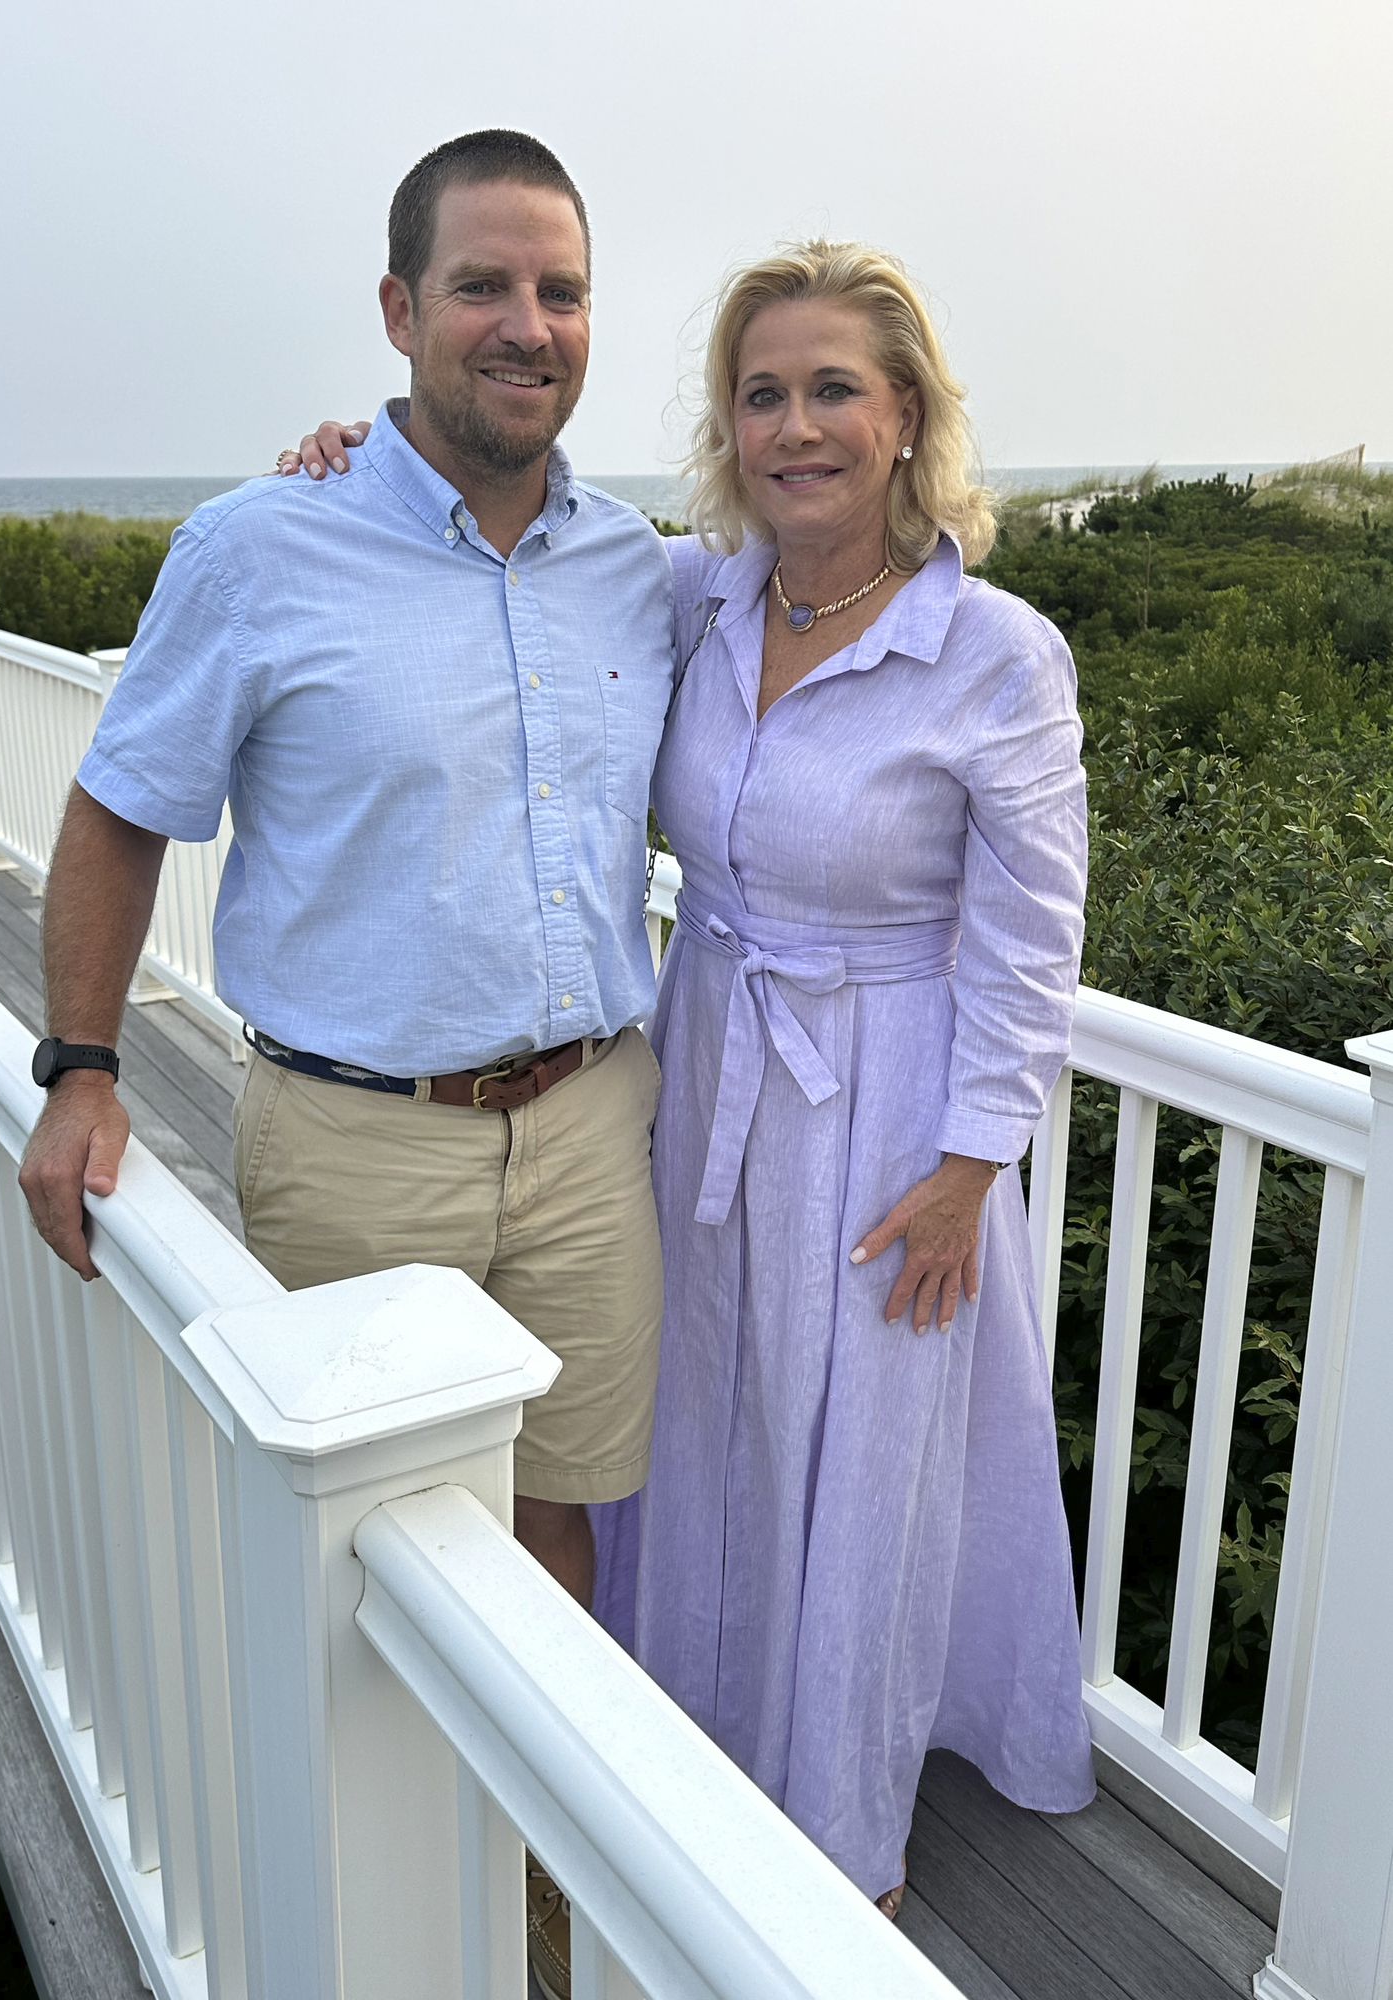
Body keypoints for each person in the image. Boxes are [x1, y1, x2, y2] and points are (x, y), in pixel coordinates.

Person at [290, 236, 1096, 1925]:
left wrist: (974, 1162)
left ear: (905, 418)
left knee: (864, 1443)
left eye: (832, 392)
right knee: (706, 1414)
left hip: (889, 1107)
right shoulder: (696, 594)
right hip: (707, 1060)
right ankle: (699, 1737)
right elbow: (496, 561)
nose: (794, 427)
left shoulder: (995, 651)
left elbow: (1032, 937)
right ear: (725, 428)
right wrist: (349, 462)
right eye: (760, 395)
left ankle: (840, 1825)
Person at [17, 129, 676, 1622]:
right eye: (482, 286)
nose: (528, 325)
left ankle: (530, 1869)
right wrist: (82, 1068)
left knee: (563, 1520)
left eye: (561, 292)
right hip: (358, 1146)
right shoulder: (259, 549)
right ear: (398, 310)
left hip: (591, 1130)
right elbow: (121, 811)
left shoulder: (641, 566)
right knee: (364, 1561)